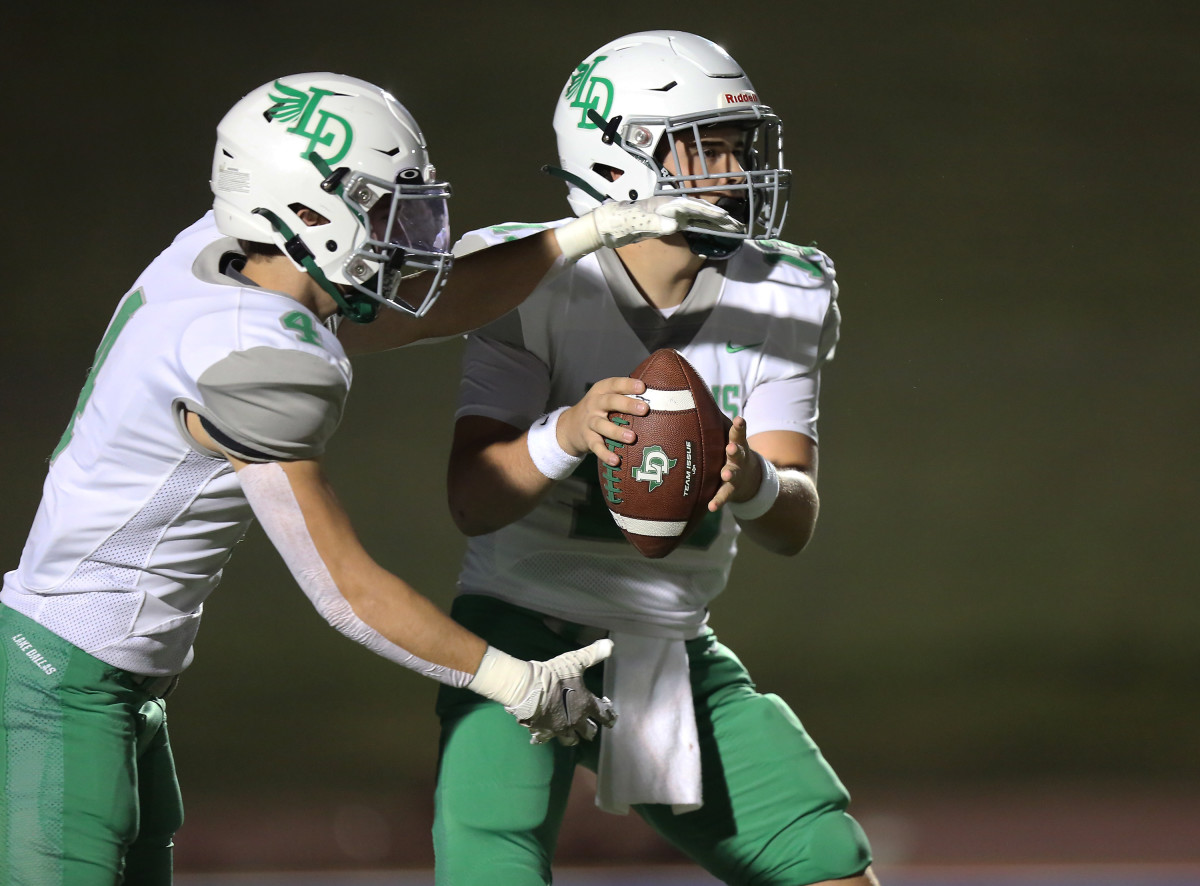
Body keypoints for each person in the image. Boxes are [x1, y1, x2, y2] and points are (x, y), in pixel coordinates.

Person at [0, 71, 737, 885]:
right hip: (63, 682)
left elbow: (441, 300)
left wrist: (592, 229)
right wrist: (513, 679)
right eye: (383, 205)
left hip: (104, 675)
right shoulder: (257, 355)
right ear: (307, 208)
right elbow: (345, 588)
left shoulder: (223, 256)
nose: (405, 230)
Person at [428, 32, 880, 886]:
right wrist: (565, 433)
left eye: (741, 146)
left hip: (666, 639)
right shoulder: (529, 275)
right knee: (494, 864)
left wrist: (751, 481)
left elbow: (794, 523)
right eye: (706, 146)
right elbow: (471, 500)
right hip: (521, 627)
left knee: (827, 860)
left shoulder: (785, 285)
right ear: (615, 158)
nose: (736, 169)